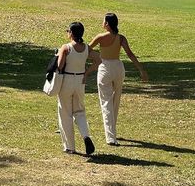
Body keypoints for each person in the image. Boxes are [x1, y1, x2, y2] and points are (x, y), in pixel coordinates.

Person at [89, 13, 148, 146]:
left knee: (106, 102)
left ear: (107, 24)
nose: (102, 23)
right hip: (118, 67)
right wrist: (141, 70)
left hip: (105, 67)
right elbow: (130, 54)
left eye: (104, 21)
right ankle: (112, 132)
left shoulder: (100, 37)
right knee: (115, 101)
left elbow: (86, 50)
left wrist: (95, 57)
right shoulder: (121, 38)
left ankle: (110, 137)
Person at [56, 22, 100, 155]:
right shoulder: (86, 48)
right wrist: (86, 73)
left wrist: (58, 55)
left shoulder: (66, 47)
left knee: (65, 113)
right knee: (80, 111)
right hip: (80, 80)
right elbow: (98, 60)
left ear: (71, 33)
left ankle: (70, 146)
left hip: (67, 80)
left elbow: (60, 66)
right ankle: (86, 136)